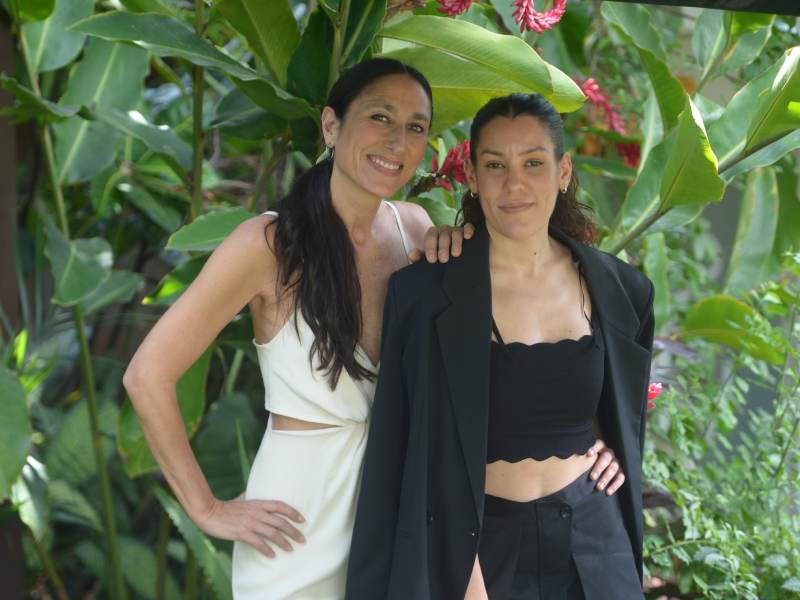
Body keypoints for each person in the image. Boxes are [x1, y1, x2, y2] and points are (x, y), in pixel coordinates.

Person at [123, 59, 624, 599]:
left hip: (400, 510)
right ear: (331, 126)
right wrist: (208, 509)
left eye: (415, 126)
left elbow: (498, 362)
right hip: (298, 519)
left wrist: (589, 440)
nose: (397, 140)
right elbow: (147, 375)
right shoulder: (268, 245)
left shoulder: (416, 232)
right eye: (380, 116)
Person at [346, 93, 655, 600]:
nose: (514, 184)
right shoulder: (425, 294)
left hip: (595, 540)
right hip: (477, 550)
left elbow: (620, 403)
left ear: (563, 170)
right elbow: (414, 447)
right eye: (495, 164)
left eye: (533, 162)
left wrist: (612, 444)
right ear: (471, 174)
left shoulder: (623, 291)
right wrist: (466, 578)